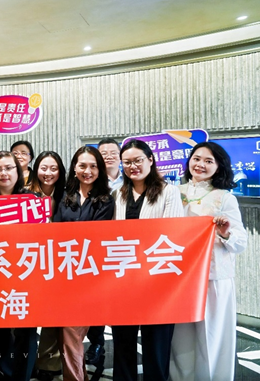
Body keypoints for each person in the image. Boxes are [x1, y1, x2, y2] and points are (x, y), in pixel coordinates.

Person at [170, 142, 248, 381]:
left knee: (211, 338)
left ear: (219, 167)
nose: (200, 165)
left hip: (213, 277)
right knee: (179, 340)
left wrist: (225, 233)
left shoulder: (224, 198)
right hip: (178, 277)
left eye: (208, 161)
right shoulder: (173, 192)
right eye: (196, 158)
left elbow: (240, 242)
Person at [112, 139, 183, 381]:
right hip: (124, 278)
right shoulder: (118, 194)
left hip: (157, 278)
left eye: (138, 160)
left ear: (150, 160)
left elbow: (172, 234)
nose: (132, 166)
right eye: (127, 162)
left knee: (156, 343)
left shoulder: (168, 192)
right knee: (123, 341)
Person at [53, 146, 114, 381]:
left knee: (71, 331)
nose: (87, 171)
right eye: (82, 166)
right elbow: (55, 232)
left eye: (93, 166)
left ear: (100, 169)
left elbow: (96, 237)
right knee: (69, 335)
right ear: (74, 168)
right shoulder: (64, 197)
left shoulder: (106, 200)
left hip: (91, 276)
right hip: (64, 273)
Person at [0, 151, 38, 381]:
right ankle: (9, 370)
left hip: (25, 271)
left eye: (8, 168)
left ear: (18, 171)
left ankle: (22, 376)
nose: (3, 173)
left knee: (27, 330)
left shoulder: (32, 200)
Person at [27, 151, 66, 380]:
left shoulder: (68, 196)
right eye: (43, 168)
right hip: (29, 261)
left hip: (59, 263)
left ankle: (48, 364)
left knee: (54, 315)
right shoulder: (25, 195)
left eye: (53, 168)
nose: (48, 173)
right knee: (28, 314)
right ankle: (25, 361)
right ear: (36, 170)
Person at [85, 138, 123, 368]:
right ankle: (96, 342)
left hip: (121, 250)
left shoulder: (130, 180)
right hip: (94, 250)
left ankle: (123, 351)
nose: (108, 156)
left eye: (113, 152)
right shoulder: (89, 181)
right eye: (103, 153)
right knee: (95, 301)